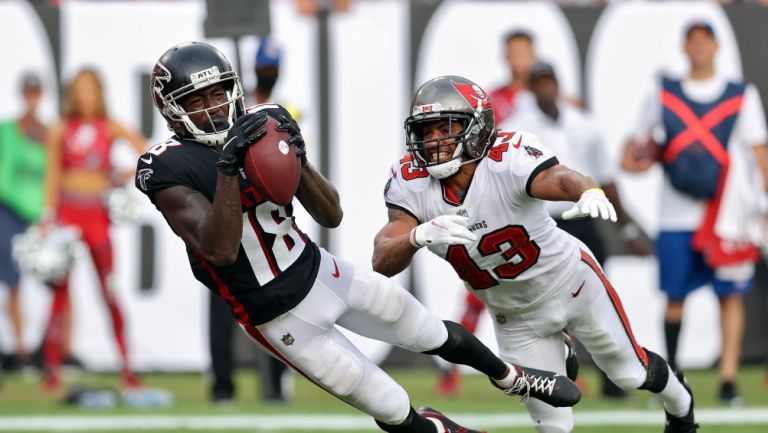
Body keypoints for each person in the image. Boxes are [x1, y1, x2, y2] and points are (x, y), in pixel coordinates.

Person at [136, 41, 580, 433]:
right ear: (170, 107)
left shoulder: (262, 121)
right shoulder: (164, 167)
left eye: (219, 92)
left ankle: (511, 377)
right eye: (196, 98)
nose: (214, 107)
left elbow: (331, 214)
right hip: (276, 315)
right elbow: (219, 248)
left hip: (319, 270)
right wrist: (229, 169)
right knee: (391, 408)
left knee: (425, 329)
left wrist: (301, 160)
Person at [373, 75, 698, 433]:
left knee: (629, 372)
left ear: (476, 127)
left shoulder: (506, 156)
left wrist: (586, 191)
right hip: (514, 316)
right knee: (553, 426)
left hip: (570, 282)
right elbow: (382, 258)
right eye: (425, 131)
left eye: (445, 128)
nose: (434, 141)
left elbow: (558, 177)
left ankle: (682, 406)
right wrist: (416, 237)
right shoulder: (410, 181)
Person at [621, 21, 768, 406]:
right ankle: (673, 379)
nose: (700, 48)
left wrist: (762, 205)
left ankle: (728, 379)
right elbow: (634, 149)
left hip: (726, 216)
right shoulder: (664, 92)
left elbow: (758, 152)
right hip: (676, 213)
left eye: (706, 41)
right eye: (694, 41)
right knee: (674, 296)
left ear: (716, 46)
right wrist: (644, 157)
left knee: (729, 296)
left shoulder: (741, 95)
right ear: (685, 47)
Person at [503, 62, 654, 398]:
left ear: (558, 84)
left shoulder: (585, 125)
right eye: (538, 84)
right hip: (542, 222)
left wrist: (627, 230)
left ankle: (615, 379)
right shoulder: (517, 129)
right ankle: (556, 378)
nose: (545, 90)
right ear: (530, 88)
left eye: (549, 82)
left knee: (598, 298)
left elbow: (607, 179)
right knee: (545, 304)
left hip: (583, 220)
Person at [42, 68, 147, 390]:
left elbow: (144, 150)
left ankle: (127, 365)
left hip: (96, 216)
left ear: (99, 93)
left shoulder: (109, 126)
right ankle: (52, 370)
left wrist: (119, 176)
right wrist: (48, 216)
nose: (83, 97)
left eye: (89, 90)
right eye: (78, 90)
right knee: (59, 294)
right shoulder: (60, 129)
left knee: (109, 291)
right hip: (68, 215)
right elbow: (53, 175)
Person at [208, 35, 293, 404]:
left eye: (271, 69)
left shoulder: (284, 108)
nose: (267, 75)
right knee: (221, 306)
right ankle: (222, 385)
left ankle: (276, 383)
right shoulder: (227, 109)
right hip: (229, 212)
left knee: (279, 307)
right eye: (263, 68)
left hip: (264, 217)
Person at [0, 72, 48, 371]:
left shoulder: (47, 134)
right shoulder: (8, 130)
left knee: (57, 285)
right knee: (13, 282)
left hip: (39, 217)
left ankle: (55, 351)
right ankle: (20, 351)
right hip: (8, 210)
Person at [488, 30, 537, 125]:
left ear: (533, 55)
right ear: (506, 56)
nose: (519, 58)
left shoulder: (549, 97)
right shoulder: (491, 100)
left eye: (524, 53)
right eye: (515, 53)